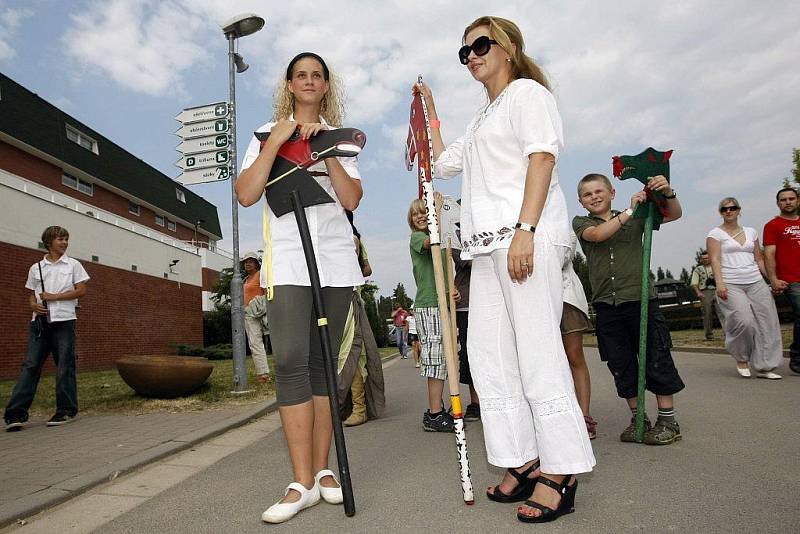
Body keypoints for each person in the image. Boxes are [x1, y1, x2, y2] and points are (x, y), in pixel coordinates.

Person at [419, 16, 595, 523]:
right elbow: (440, 164)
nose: (472, 55)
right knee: (489, 356)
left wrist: (526, 229)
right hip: (483, 250)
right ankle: (524, 459)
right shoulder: (481, 118)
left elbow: (542, 160)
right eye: (464, 51)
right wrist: (429, 117)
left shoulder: (527, 95)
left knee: (539, 351)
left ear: (509, 47)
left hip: (524, 239)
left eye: (480, 44)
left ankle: (561, 472)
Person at [236, 52, 363, 524]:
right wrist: (280, 142)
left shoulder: (342, 138)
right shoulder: (265, 134)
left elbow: (351, 199)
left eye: (317, 75)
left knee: (322, 365)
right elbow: (247, 193)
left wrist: (326, 152)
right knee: (289, 359)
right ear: (290, 85)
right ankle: (301, 480)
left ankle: (325, 471)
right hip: (288, 261)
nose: (309, 81)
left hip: (333, 263)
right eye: (301, 75)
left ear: (326, 85)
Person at [574, 173, 685, 447]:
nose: (594, 197)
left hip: (641, 299)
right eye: (587, 195)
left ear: (612, 192)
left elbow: (674, 215)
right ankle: (638, 417)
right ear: (581, 202)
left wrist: (668, 192)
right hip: (607, 305)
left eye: (599, 191)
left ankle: (668, 420)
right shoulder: (582, 223)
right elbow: (598, 235)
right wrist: (629, 210)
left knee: (655, 357)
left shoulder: (639, 216)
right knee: (621, 364)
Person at [4, 226, 89, 431]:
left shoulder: (73, 265)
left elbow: (81, 291)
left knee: (64, 366)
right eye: (61, 239)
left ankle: (66, 410)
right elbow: (32, 294)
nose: (65, 242)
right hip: (40, 323)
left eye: (66, 239)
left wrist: (55, 297)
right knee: (31, 365)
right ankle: (15, 413)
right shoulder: (36, 267)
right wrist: (33, 305)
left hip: (64, 321)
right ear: (49, 242)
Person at [707, 197, 783, 379]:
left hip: (756, 281)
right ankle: (741, 358)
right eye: (724, 209)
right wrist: (720, 283)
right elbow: (715, 260)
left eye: (733, 208)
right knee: (744, 321)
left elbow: (759, 259)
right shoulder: (715, 234)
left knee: (768, 322)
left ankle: (765, 366)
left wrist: (772, 280)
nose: (729, 211)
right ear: (720, 212)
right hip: (731, 283)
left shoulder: (751, 232)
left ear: (739, 210)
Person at [408, 197, 455, 433]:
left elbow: (445, 268)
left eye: (424, 212)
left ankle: (439, 407)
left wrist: (451, 290)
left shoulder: (442, 241)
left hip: (441, 303)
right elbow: (430, 242)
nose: (420, 216)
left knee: (446, 358)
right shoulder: (418, 238)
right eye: (416, 213)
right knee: (436, 358)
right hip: (428, 305)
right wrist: (435, 211)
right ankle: (434, 413)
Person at [338, 215, 385, 427]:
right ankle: (346, 407)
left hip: (346, 297)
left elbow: (363, 266)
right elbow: (366, 268)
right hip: (331, 299)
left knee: (351, 353)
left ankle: (359, 408)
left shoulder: (349, 237)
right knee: (341, 354)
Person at [561, 235, 596, 439]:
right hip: (534, 300)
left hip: (566, 297)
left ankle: (584, 417)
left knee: (574, 356)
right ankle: (558, 417)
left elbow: (561, 257)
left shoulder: (562, 224)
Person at [763, 187, 800, 375]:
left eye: (791, 198)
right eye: (783, 199)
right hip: (791, 280)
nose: (788, 202)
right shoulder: (773, 225)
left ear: (798, 201)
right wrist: (774, 279)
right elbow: (769, 254)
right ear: (778, 203)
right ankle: (797, 357)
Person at [452, 253, 480, 421]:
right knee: (470, 355)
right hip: (467, 304)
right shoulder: (456, 232)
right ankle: (475, 403)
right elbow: (466, 259)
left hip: (496, 297)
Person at [241, 251, 271, 384]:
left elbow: (266, 292)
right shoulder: (245, 279)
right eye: (246, 262)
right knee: (255, 343)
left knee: (261, 342)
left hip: (260, 312)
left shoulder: (260, 275)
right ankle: (263, 373)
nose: (247, 264)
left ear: (256, 263)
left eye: (250, 261)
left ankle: (265, 373)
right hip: (249, 314)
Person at [690, 251, 722, 340]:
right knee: (707, 314)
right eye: (703, 258)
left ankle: (728, 333)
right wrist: (698, 292)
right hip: (705, 291)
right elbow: (694, 282)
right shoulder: (698, 269)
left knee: (722, 311)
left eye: (707, 258)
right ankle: (709, 335)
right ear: (701, 259)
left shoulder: (716, 265)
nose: (705, 260)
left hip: (717, 289)